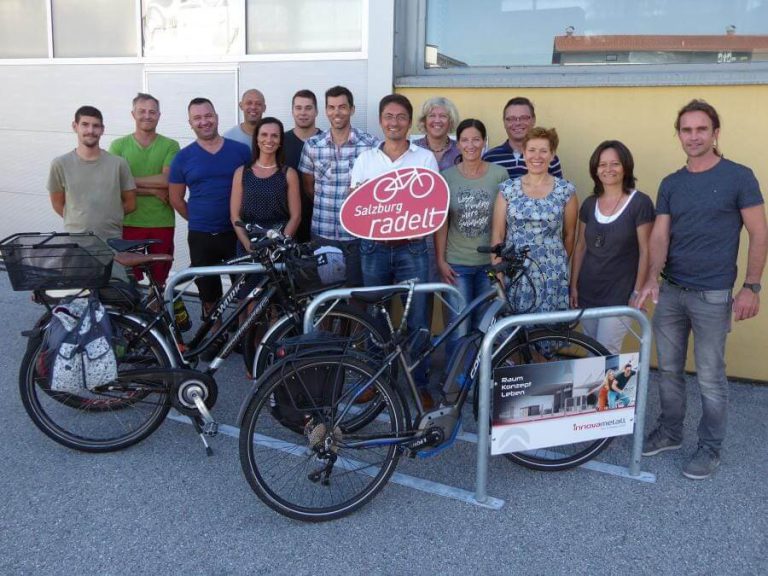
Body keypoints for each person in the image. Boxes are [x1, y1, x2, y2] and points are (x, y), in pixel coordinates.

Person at [636, 99, 767, 480]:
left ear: (715, 133)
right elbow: (660, 236)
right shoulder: (671, 183)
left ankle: (710, 447)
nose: (693, 137)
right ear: (678, 135)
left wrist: (751, 287)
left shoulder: (739, 177)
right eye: (686, 130)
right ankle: (671, 432)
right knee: (670, 370)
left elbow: (759, 234)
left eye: (701, 129)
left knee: (710, 375)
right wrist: (650, 278)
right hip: (673, 292)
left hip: (713, 295)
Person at [350, 94, 439, 408]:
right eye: (389, 116)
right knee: (375, 317)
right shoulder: (365, 159)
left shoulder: (425, 158)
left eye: (401, 117)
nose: (394, 122)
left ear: (409, 121)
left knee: (418, 320)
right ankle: (374, 381)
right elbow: (356, 202)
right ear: (380, 120)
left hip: (412, 249)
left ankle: (419, 384)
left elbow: (431, 203)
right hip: (373, 248)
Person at [569, 140, 655, 354]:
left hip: (619, 294)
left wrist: (637, 292)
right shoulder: (589, 204)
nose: (608, 169)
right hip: (588, 291)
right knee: (591, 351)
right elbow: (580, 247)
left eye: (614, 164)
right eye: (602, 164)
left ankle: (611, 389)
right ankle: (595, 390)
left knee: (607, 352)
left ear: (625, 166)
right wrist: (573, 286)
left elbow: (647, 250)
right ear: (595, 170)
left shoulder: (640, 203)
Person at [169, 98, 251, 316]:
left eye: (208, 116)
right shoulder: (182, 157)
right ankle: (214, 336)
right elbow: (176, 198)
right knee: (208, 293)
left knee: (243, 290)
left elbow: (252, 188)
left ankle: (244, 338)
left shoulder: (241, 151)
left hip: (236, 233)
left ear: (216, 117)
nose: (204, 122)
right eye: (197, 118)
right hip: (201, 236)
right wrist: (199, 219)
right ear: (190, 123)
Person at [435, 118, 507, 358]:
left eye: (476, 139)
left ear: (484, 142)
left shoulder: (499, 175)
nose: (471, 145)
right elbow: (442, 223)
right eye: (465, 140)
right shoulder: (446, 177)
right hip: (457, 266)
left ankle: (477, 386)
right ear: (458, 144)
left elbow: (504, 223)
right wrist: (441, 261)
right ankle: (455, 387)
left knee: (485, 328)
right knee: (459, 328)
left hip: (489, 266)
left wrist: (500, 264)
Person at [490, 127, 578, 314]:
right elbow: (498, 235)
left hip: (552, 273)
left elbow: (570, 235)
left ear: (552, 155)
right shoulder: (507, 190)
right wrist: (499, 276)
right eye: (531, 150)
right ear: (524, 153)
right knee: (517, 334)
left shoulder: (566, 190)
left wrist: (557, 263)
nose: (537, 156)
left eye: (543, 150)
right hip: (515, 272)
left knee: (547, 331)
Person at [299, 85, 378, 285]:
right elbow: (309, 188)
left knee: (356, 295)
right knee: (323, 296)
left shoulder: (371, 145)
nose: (337, 112)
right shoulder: (312, 145)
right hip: (323, 233)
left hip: (357, 236)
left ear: (352, 109)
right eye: (332, 107)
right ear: (325, 111)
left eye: (342, 107)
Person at [48, 105, 136, 280]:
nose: (90, 130)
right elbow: (59, 204)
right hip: (76, 245)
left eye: (96, 126)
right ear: (75, 126)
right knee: (78, 298)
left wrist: (108, 216)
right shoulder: (60, 164)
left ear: (102, 130)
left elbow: (131, 203)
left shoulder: (118, 164)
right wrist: (80, 219)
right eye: (85, 124)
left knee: (116, 298)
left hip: (110, 243)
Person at [109, 93, 180, 285]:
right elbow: (115, 184)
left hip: (161, 222)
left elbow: (167, 180)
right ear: (133, 114)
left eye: (152, 112)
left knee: (160, 277)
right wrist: (153, 190)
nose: (147, 116)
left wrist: (129, 180)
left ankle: (156, 310)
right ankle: (132, 314)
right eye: (142, 111)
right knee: (129, 278)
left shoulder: (171, 145)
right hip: (130, 220)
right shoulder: (119, 146)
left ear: (159, 115)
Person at [230, 117, 301, 253]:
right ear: (256, 139)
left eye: (274, 136)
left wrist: (281, 243)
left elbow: (296, 216)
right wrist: (247, 244)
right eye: (264, 134)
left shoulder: (289, 174)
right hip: (250, 243)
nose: (269, 140)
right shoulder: (241, 172)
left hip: (281, 243)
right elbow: (235, 216)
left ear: (280, 141)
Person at [483, 97, 563, 179]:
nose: (517, 123)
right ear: (504, 122)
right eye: (511, 119)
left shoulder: (548, 158)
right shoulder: (489, 158)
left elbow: (558, 189)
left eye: (524, 118)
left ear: (533, 120)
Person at [283, 89, 321, 243]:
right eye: (298, 108)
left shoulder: (326, 142)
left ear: (317, 111)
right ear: (292, 111)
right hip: (287, 221)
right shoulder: (280, 142)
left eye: (308, 108)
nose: (303, 113)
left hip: (320, 220)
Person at [413, 96, 461, 171]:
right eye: (432, 115)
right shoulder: (412, 149)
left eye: (443, 116)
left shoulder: (460, 150)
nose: (437, 120)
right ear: (424, 121)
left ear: (451, 121)